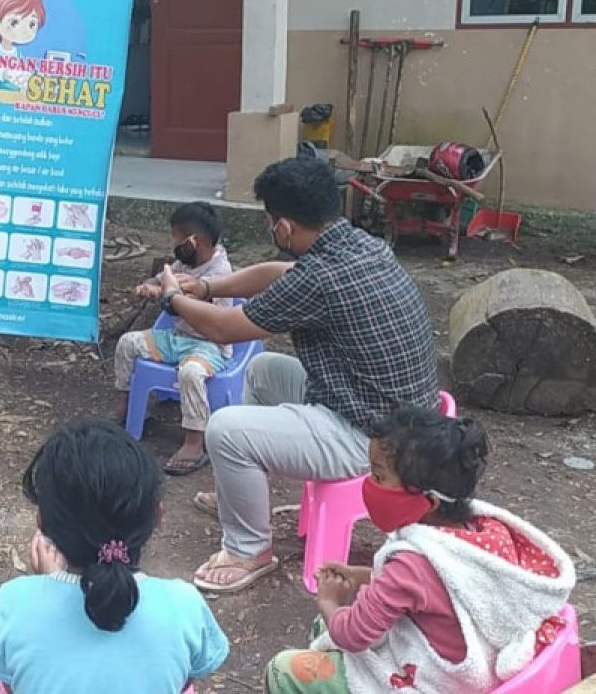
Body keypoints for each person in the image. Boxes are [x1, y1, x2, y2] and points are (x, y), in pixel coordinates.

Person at [156, 156, 438, 592]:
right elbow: (278, 274)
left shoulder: (321, 279)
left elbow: (222, 327)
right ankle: (241, 494)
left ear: (283, 228)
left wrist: (174, 296)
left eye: (271, 224)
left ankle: (249, 550)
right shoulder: (361, 247)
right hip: (402, 414)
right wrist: (208, 287)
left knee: (226, 429)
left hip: (374, 440)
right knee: (264, 370)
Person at [264, 407, 575, 693]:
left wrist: (329, 600)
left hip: (430, 681)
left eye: (378, 475)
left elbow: (355, 635)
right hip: (480, 662)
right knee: (326, 626)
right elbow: (434, 592)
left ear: (430, 500)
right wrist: (362, 577)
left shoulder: (412, 563)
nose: (369, 484)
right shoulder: (484, 532)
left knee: (284, 667)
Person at [0, 422, 229, 694]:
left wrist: (48, 585)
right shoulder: (184, 604)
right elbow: (182, 683)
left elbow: (16, 686)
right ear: (157, 515)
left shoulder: (12, 602)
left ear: (41, 522)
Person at [114, 201, 235, 475]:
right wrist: (150, 287)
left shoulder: (220, 272)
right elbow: (161, 282)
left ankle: (194, 441)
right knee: (128, 343)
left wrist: (171, 291)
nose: (176, 247)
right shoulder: (185, 261)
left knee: (190, 372)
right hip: (177, 337)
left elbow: (190, 303)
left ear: (196, 241)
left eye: (178, 241)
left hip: (209, 344)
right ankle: (128, 407)